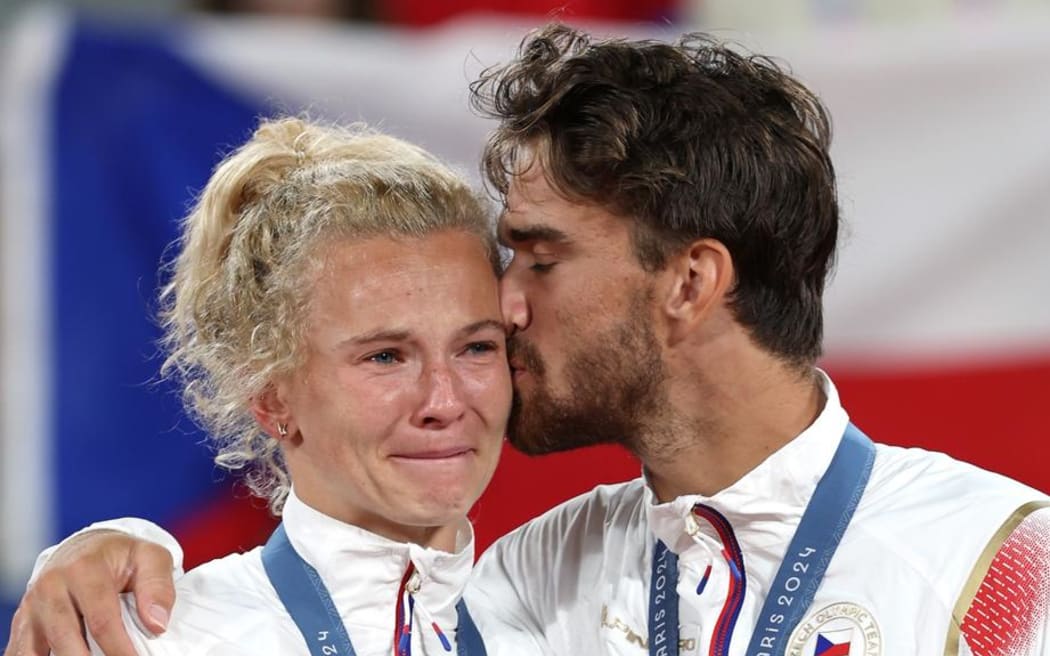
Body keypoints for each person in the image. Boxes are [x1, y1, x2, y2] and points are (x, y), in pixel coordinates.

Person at [7, 24, 1050, 656]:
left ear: (689, 282)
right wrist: (105, 560)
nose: (507, 309)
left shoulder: (1002, 561)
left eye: (539, 257)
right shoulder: (541, 577)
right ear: (270, 393)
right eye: (385, 353)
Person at [21, 115, 512, 655]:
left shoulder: (558, 605)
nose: (444, 401)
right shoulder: (158, 641)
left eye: (477, 347)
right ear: (270, 393)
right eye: (386, 356)